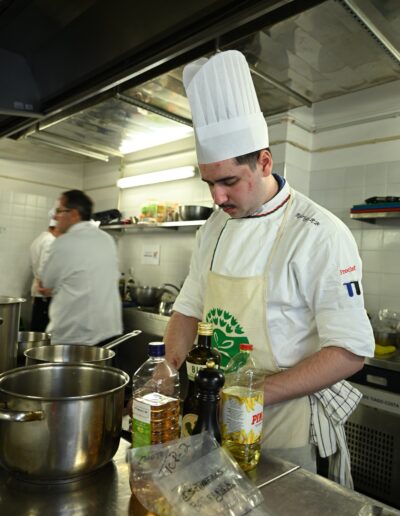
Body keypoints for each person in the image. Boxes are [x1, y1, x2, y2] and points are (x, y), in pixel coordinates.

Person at [164, 50, 375, 485]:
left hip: (285, 422)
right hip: (216, 416)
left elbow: (350, 351)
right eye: (209, 183)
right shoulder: (213, 228)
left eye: (228, 181)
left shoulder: (318, 233)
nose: (217, 198)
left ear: (263, 162)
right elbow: (187, 309)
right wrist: (167, 373)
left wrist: (248, 396)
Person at [40, 190, 122, 345]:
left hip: (74, 333)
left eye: (59, 211)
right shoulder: (107, 239)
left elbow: (46, 283)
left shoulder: (63, 242)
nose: (55, 217)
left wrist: (50, 286)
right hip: (107, 330)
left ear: (74, 214)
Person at [29, 214, 59, 331]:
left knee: (38, 327)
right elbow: (45, 268)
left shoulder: (39, 238)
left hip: (39, 292)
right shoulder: (50, 241)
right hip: (45, 293)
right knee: (43, 331)